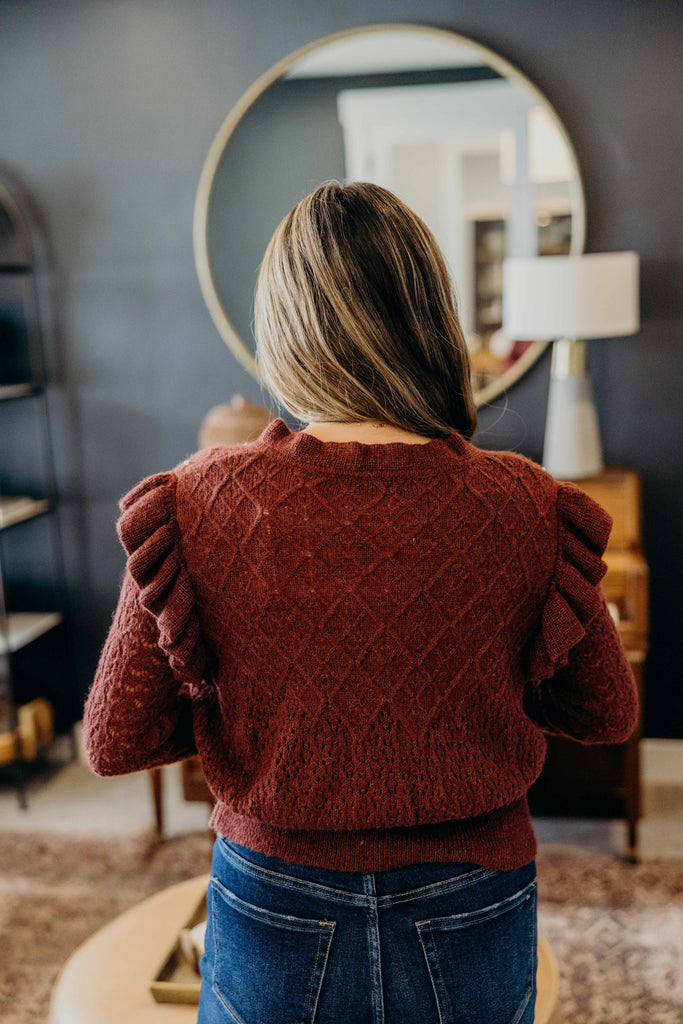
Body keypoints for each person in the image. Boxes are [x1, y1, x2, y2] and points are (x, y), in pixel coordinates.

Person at [82, 180, 639, 1024]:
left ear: (284, 328)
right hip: (472, 892)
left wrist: (243, 695)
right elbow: (604, 712)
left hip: (273, 892)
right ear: (429, 318)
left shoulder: (199, 500)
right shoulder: (522, 502)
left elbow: (113, 740)